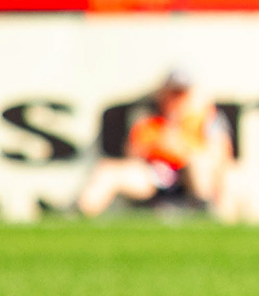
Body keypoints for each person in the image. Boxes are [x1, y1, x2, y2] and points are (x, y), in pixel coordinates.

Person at [77, 69, 238, 219]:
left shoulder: (207, 117)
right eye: (172, 93)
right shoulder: (148, 115)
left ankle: (209, 217)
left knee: (206, 167)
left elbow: (221, 156)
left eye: (181, 94)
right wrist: (159, 144)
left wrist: (183, 149)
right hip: (156, 175)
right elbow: (132, 152)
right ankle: (80, 220)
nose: (176, 99)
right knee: (107, 171)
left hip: (191, 178)